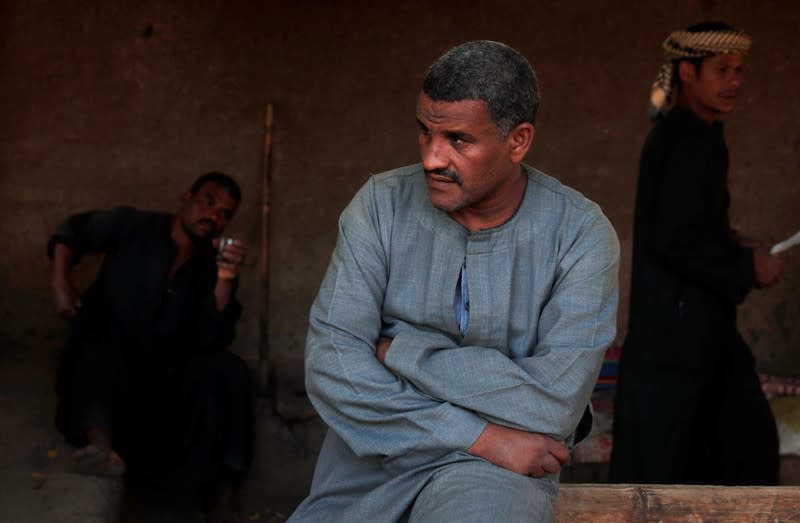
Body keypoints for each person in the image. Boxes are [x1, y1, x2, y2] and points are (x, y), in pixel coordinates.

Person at [289, 41, 620, 523]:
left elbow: (552, 405)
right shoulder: (380, 205)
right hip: (372, 464)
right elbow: (333, 366)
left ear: (518, 140)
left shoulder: (581, 234)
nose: (431, 158)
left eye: (458, 141)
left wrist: (399, 353)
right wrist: (483, 437)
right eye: (424, 133)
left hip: (494, 482)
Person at [609, 22, 785, 485]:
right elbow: (675, 243)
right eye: (722, 70)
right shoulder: (685, 139)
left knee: (729, 448)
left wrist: (737, 245)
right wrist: (748, 266)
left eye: (739, 71)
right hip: (678, 340)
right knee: (706, 455)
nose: (735, 82)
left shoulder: (696, 135)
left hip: (696, 332)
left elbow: (690, 229)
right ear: (688, 72)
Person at [50, 172, 253, 522]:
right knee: (98, 332)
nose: (214, 217)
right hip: (104, 376)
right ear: (187, 197)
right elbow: (70, 232)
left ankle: (223, 496)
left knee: (231, 370)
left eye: (224, 213)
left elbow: (211, 340)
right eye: (208, 203)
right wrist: (61, 284)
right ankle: (99, 444)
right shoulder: (134, 225)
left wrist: (225, 279)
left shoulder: (211, 266)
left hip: (159, 394)